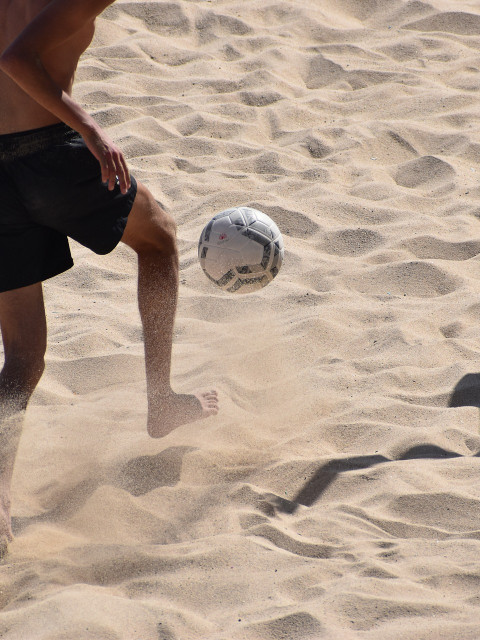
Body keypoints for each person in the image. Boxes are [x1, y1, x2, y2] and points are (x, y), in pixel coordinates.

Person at [0, 0, 219, 549]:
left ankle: (0, 503)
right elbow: (18, 59)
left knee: (22, 361)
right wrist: (92, 128)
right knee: (161, 237)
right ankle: (162, 400)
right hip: (49, 156)